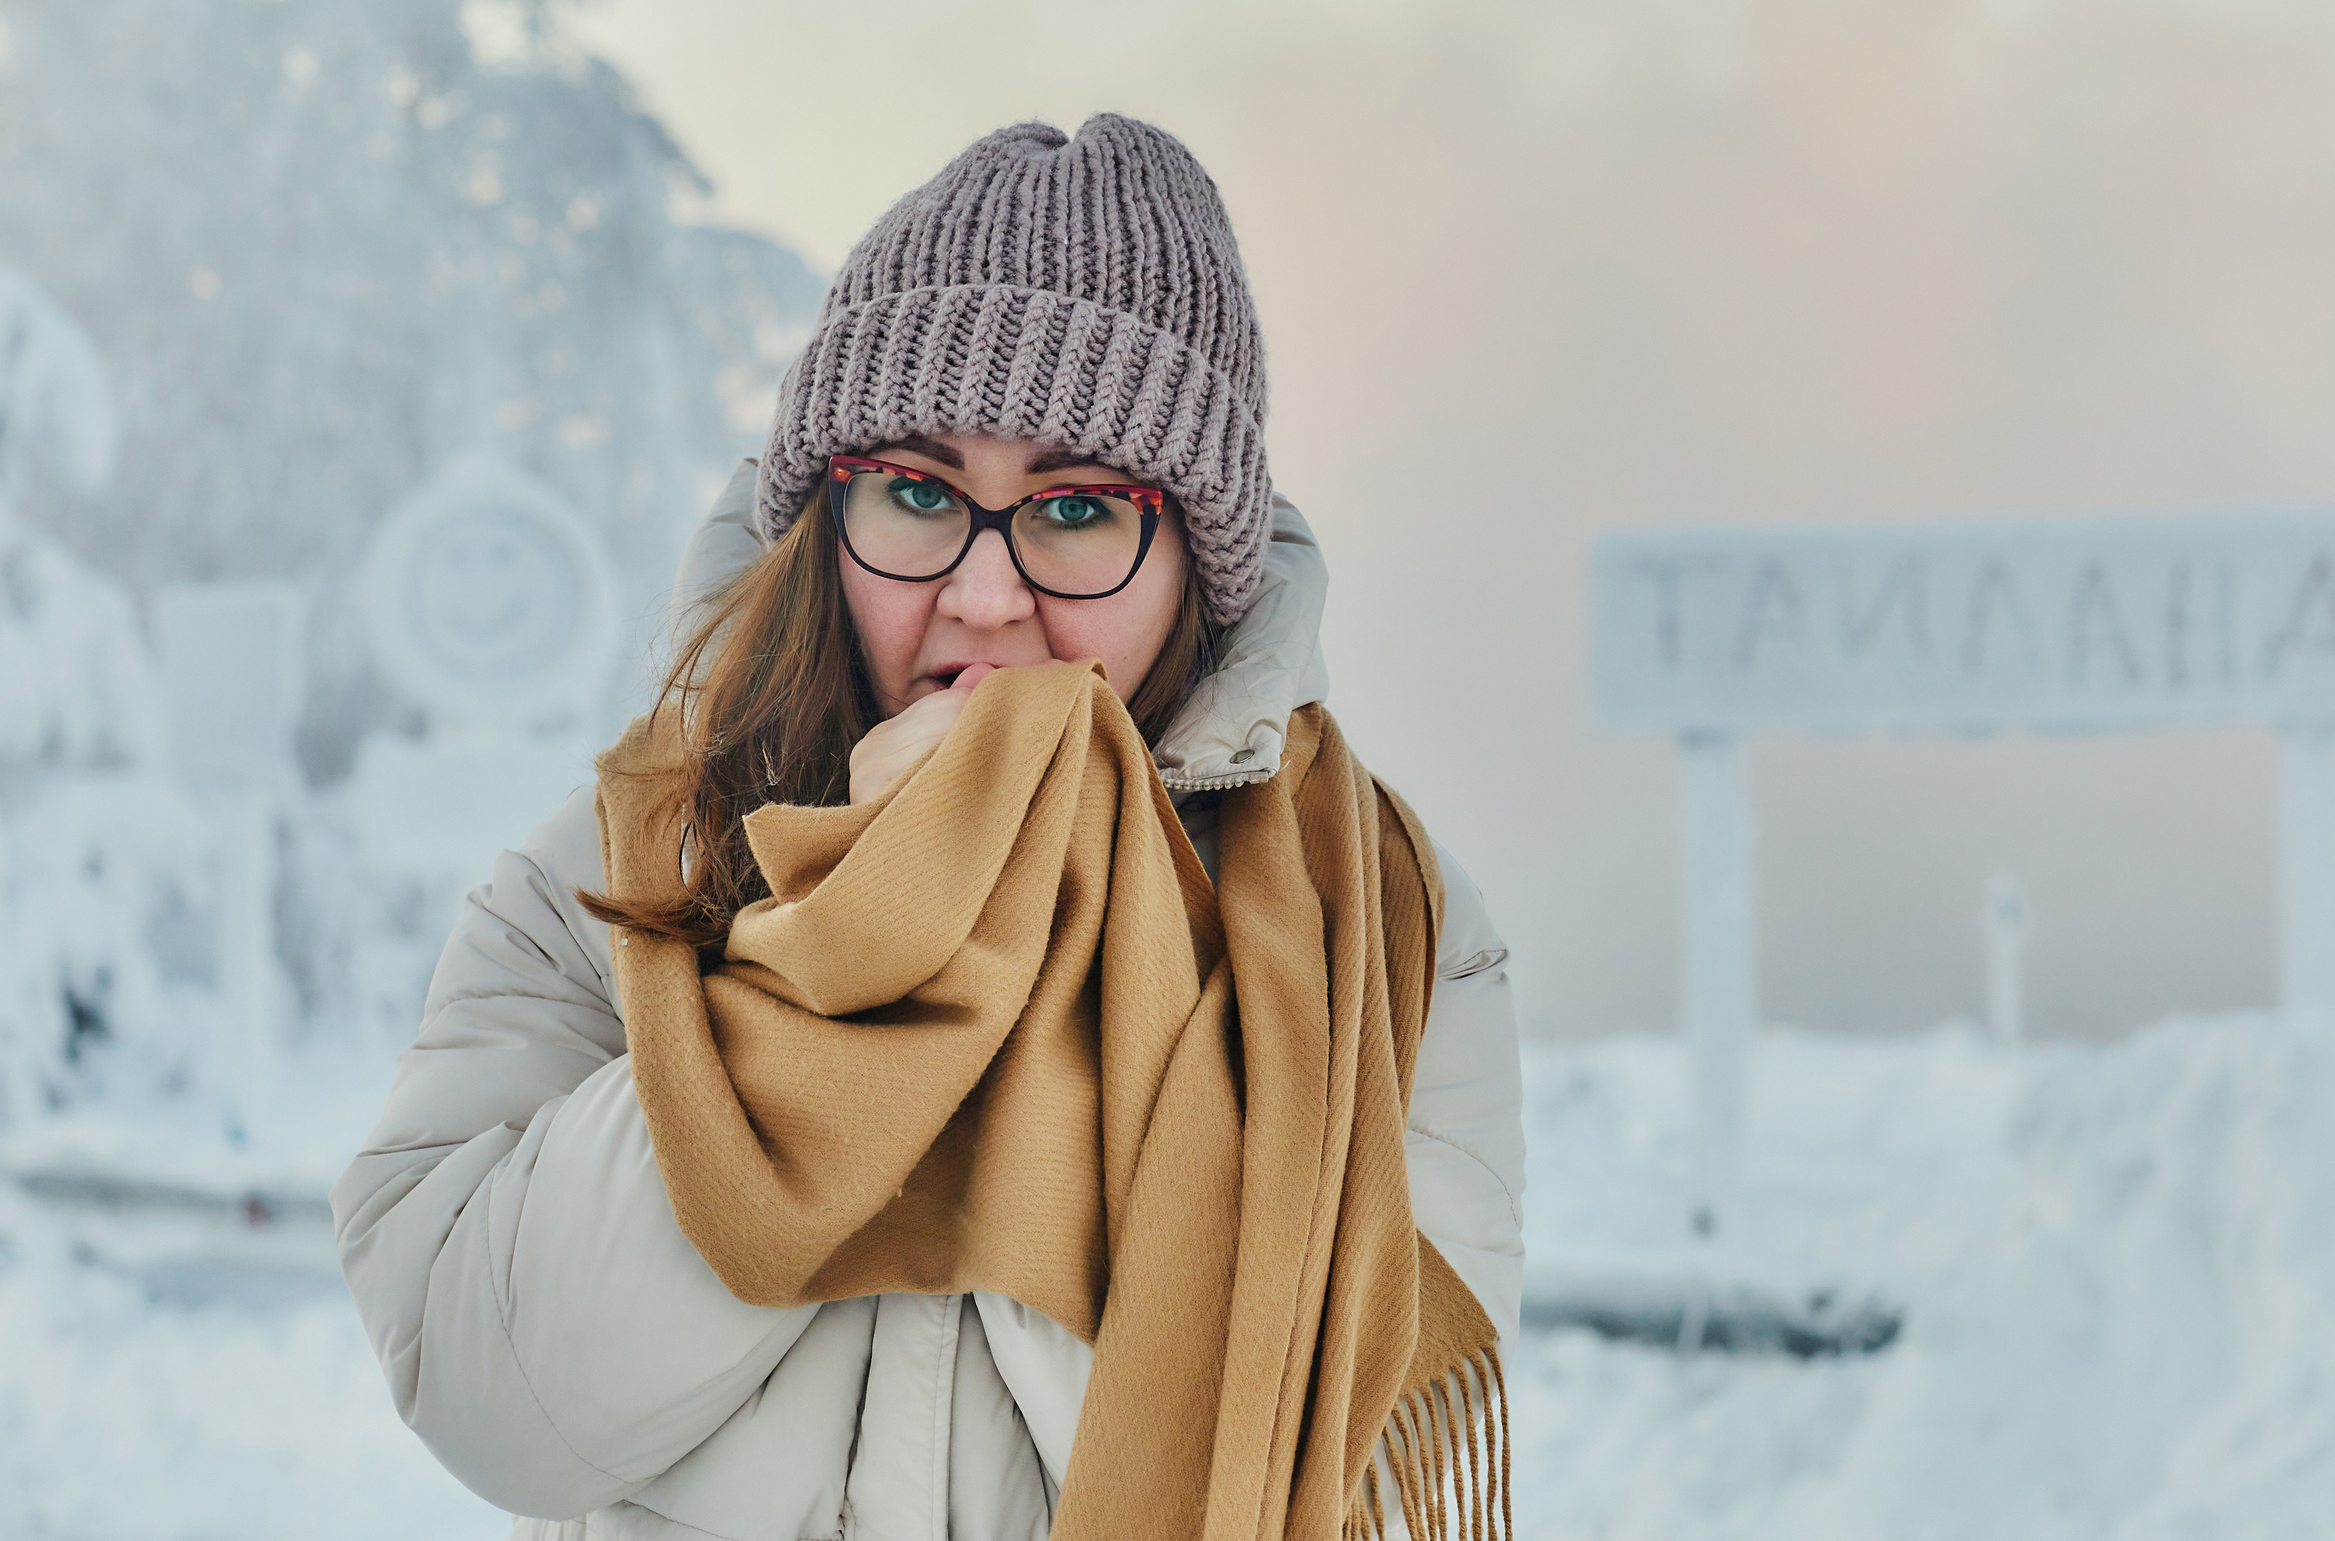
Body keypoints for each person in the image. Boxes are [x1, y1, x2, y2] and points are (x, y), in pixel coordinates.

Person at [333, 115, 1525, 1541]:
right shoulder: (615, 870)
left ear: (1197, 555)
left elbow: (1343, 1473)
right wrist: (845, 948)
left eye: (1079, 509)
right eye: (917, 491)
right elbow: (487, 1396)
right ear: (825, 517)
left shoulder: (1374, 939)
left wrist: (1071, 956)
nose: (981, 594)